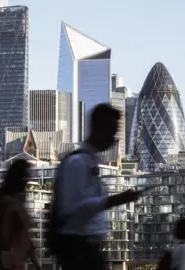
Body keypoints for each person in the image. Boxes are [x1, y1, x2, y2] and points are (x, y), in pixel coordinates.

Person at [54, 103, 141, 270]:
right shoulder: (77, 163)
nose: (113, 139)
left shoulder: (91, 162)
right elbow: (71, 208)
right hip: (78, 252)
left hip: (90, 250)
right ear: (98, 128)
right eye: (111, 132)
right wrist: (115, 200)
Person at [0, 159, 41, 270]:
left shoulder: (10, 201)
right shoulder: (10, 205)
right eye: (25, 178)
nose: (27, 181)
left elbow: (24, 237)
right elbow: (6, 238)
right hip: (10, 264)